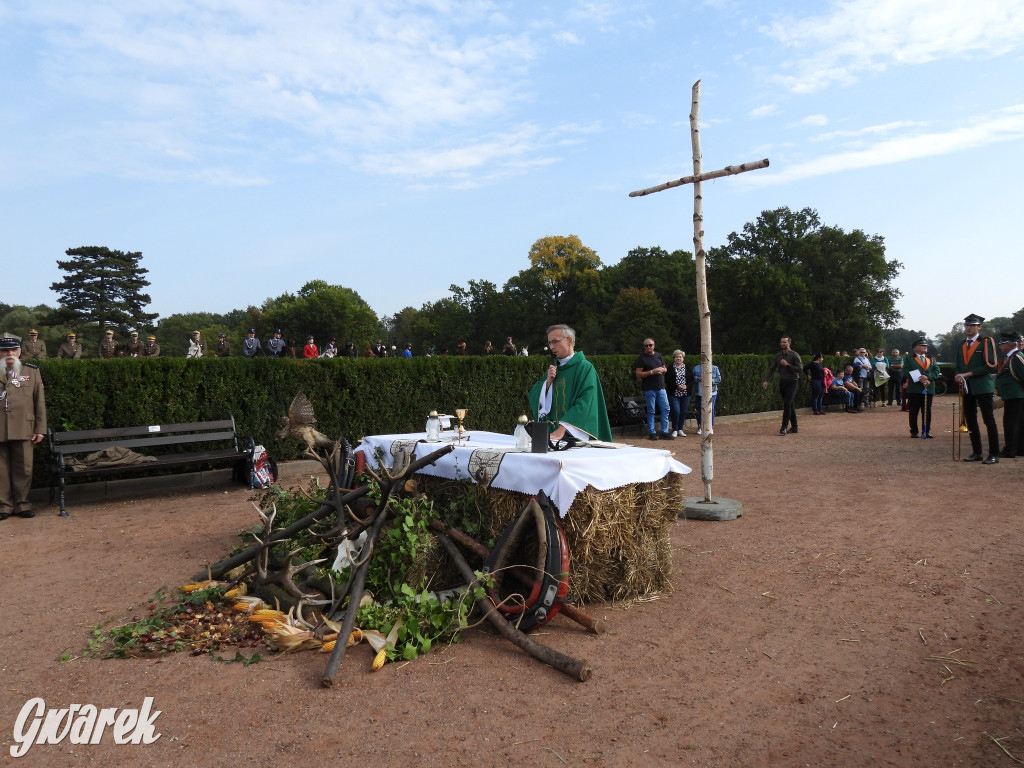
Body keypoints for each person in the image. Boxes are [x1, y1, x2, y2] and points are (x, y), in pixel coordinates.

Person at [529, 324, 612, 442]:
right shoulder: (553, 369)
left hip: (574, 436)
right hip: (552, 435)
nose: (552, 347)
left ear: (569, 340)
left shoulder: (584, 368)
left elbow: (586, 402)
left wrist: (563, 428)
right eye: (549, 343)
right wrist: (547, 383)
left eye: (555, 342)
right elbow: (534, 396)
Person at [0, 335, 47, 520]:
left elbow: (39, 402)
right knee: (1, 470)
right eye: (5, 350)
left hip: (24, 427)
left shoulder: (32, 371)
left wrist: (40, 428)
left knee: (24, 468)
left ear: (20, 352)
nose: (9, 353)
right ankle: (4, 506)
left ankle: (23, 504)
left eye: (13, 350)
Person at [954, 313, 999, 464]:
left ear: (979, 327)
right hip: (967, 387)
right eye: (966, 325)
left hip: (983, 386)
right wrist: (957, 375)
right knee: (971, 420)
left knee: (988, 420)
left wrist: (966, 374)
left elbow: (990, 364)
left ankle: (994, 453)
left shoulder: (986, 342)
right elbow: (958, 365)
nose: (968, 328)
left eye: (972, 325)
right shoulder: (961, 344)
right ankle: (977, 451)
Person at [763, 336, 802, 435]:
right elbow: (772, 368)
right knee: (790, 404)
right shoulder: (778, 355)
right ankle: (795, 427)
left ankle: (784, 427)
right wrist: (766, 380)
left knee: (787, 403)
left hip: (793, 381)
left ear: (789, 343)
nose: (782, 344)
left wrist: (787, 365)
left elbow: (800, 369)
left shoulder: (794, 355)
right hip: (783, 382)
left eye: (784, 342)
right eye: (781, 342)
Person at [634, 338, 672, 440]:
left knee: (666, 409)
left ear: (654, 345)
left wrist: (662, 370)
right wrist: (652, 372)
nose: (648, 347)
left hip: (661, 388)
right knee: (651, 410)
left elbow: (665, 368)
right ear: (644, 347)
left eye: (650, 345)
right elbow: (638, 374)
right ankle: (652, 432)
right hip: (649, 389)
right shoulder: (641, 358)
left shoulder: (658, 355)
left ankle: (664, 431)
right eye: (646, 346)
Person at [996, 330, 1024, 459]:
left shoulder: (1016, 358)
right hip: (1014, 396)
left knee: (1010, 424)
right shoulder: (1012, 357)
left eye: (1002, 343)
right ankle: (1018, 449)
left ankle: (1010, 450)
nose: (1000, 346)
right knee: (1017, 423)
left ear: (1008, 344)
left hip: (1016, 396)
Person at [905, 337, 938, 438]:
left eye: (926, 345)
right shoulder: (909, 359)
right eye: (922, 345)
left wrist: (928, 377)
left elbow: (936, 371)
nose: (925, 347)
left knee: (927, 411)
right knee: (914, 411)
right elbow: (906, 372)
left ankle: (926, 431)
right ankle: (914, 431)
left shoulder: (931, 358)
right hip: (914, 389)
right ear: (915, 348)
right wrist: (920, 378)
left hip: (928, 388)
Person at [691, 361, 721, 435]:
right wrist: (698, 379)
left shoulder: (714, 368)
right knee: (701, 409)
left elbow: (718, 379)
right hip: (700, 393)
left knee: (711, 409)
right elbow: (692, 377)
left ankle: (710, 427)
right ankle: (701, 427)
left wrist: (710, 380)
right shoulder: (696, 368)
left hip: (712, 392)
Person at [666, 350, 690, 437]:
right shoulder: (670, 367)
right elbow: (667, 380)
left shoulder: (687, 367)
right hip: (674, 393)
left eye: (680, 357)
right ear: (674, 358)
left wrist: (686, 386)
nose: (678, 358)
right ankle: (675, 429)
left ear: (683, 358)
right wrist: (677, 386)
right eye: (677, 357)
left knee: (683, 411)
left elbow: (691, 380)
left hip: (686, 393)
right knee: (676, 411)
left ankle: (680, 429)